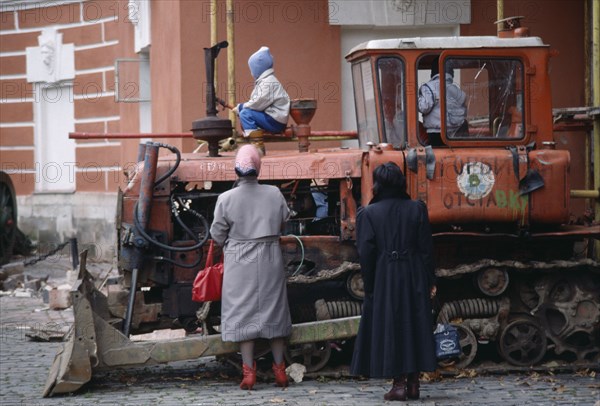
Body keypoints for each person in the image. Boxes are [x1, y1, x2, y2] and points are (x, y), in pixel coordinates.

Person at [350, 162, 437, 402]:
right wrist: (430, 279)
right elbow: (426, 248)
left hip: (386, 274)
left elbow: (366, 253)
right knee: (415, 322)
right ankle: (413, 384)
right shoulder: (417, 208)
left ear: (377, 184)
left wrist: (370, 285)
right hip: (414, 272)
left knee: (392, 325)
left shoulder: (368, 213)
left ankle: (398, 384)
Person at [209, 144, 292, 390]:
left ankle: (248, 373)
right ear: (258, 168)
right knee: (274, 311)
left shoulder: (225, 198)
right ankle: (280, 371)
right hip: (269, 258)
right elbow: (285, 219)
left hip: (238, 260)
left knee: (243, 313)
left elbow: (217, 235)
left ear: (236, 169)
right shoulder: (274, 193)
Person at [232, 46, 290, 152]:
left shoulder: (268, 82)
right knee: (245, 113)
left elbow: (258, 103)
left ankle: (257, 146)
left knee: (245, 114)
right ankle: (255, 140)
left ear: (258, 68)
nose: (251, 72)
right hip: (274, 118)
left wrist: (241, 107)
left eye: (252, 69)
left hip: (275, 120)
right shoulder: (266, 81)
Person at [418, 57, 468, 146]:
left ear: (432, 72)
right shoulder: (455, 89)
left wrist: (417, 101)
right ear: (451, 73)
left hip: (435, 131)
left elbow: (424, 107)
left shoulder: (428, 87)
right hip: (454, 131)